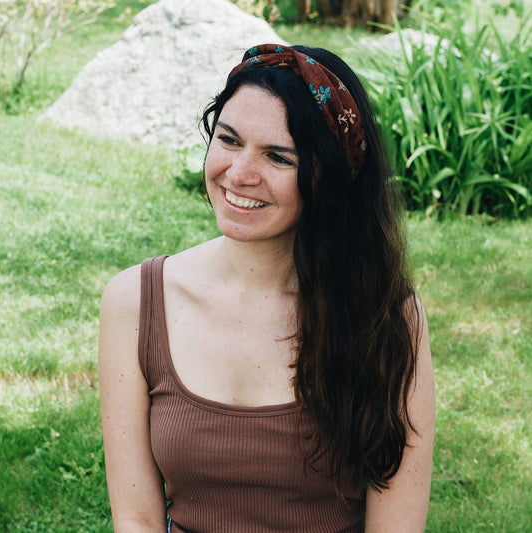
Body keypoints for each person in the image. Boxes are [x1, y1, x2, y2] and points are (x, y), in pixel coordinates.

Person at [98, 43, 435, 532]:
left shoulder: (383, 313)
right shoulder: (134, 301)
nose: (239, 174)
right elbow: (136, 520)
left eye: (278, 157)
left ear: (328, 177)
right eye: (229, 140)